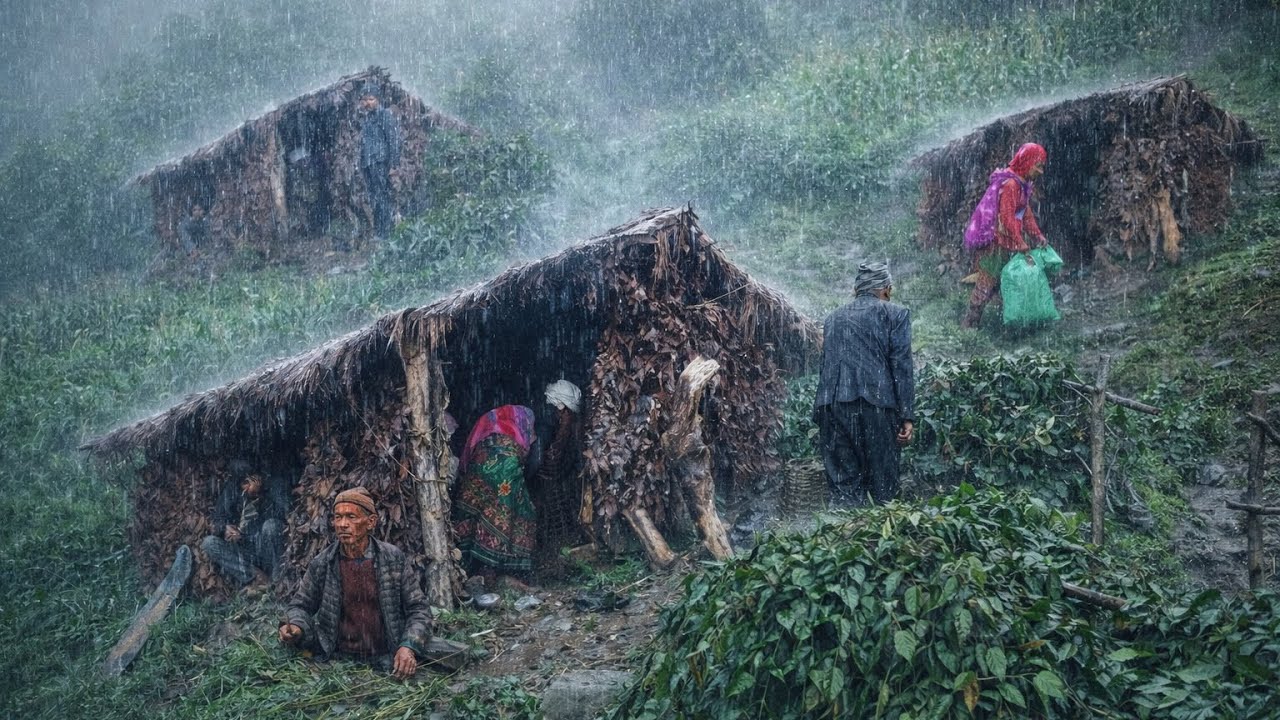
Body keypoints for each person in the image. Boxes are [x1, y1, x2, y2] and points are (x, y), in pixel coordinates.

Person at [279, 487, 431, 679]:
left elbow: (419, 609)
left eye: (351, 517)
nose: (342, 524)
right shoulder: (323, 563)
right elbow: (300, 606)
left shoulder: (393, 559)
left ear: (371, 522)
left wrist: (408, 646)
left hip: (385, 653)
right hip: (339, 657)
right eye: (338, 517)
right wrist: (296, 626)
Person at [453, 382, 581, 583]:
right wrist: (528, 485)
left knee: (479, 507)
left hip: (480, 459)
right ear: (561, 408)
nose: (568, 420)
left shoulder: (527, 410)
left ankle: (468, 566)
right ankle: (503, 569)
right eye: (569, 415)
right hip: (504, 466)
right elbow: (536, 459)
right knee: (523, 512)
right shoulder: (545, 422)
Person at [812, 261, 915, 506]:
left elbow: (825, 365)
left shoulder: (833, 319)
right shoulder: (895, 314)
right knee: (884, 489)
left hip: (832, 406)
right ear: (886, 290)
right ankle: (880, 539)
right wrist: (907, 415)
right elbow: (901, 365)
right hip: (875, 405)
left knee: (844, 490)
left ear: (856, 290)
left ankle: (843, 537)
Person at [961, 142, 1049, 329]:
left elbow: (1025, 214)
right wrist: (1020, 242)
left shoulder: (1022, 186)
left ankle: (1004, 326)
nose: (1040, 171)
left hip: (1009, 244)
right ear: (1027, 162)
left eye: (1042, 167)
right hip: (998, 244)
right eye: (1038, 166)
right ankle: (969, 325)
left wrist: (1037, 236)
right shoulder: (1010, 185)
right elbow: (1008, 218)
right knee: (987, 283)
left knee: (1004, 283)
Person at [200, 468, 287, 590]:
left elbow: (283, 516)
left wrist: (260, 497)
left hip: (265, 549)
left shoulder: (273, 488)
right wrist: (225, 529)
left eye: (250, 481)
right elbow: (217, 518)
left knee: (271, 525)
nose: (246, 487)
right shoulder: (231, 492)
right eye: (244, 482)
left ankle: (278, 581)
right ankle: (256, 578)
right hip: (244, 552)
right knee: (209, 543)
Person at [357, 84, 402, 239]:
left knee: (382, 196)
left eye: (371, 99)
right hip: (369, 164)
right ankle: (379, 231)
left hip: (380, 162)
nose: (367, 103)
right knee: (374, 197)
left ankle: (385, 233)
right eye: (365, 100)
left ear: (377, 100)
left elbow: (394, 140)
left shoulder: (385, 116)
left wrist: (393, 165)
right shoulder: (367, 119)